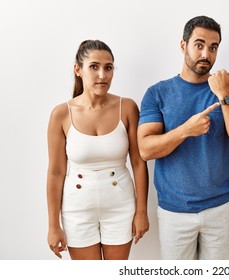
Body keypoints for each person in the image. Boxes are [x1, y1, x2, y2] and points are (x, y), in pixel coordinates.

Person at [137, 15, 229, 260]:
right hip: (173, 212)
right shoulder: (157, 93)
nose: (206, 54)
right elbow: (145, 149)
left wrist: (223, 94)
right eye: (199, 45)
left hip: (220, 209)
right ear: (183, 45)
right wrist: (184, 130)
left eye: (213, 48)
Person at [46, 40, 149, 260]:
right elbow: (55, 173)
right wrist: (53, 225)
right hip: (77, 208)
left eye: (108, 67)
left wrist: (142, 211)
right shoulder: (61, 114)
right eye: (94, 66)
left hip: (120, 205)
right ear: (78, 70)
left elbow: (139, 163)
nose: (102, 75)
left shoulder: (127, 107)